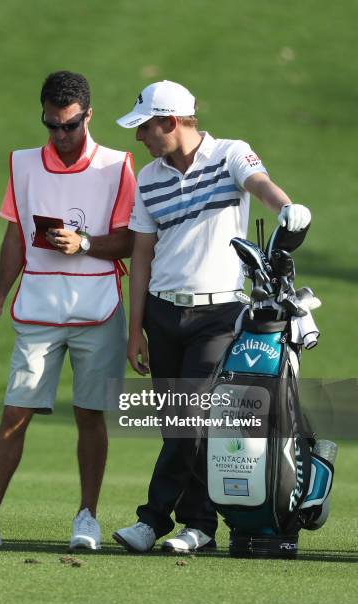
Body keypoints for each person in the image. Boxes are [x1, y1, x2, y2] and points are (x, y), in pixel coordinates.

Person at [112, 80, 311, 553]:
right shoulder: (149, 178)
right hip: (162, 313)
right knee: (179, 427)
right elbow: (142, 255)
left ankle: (153, 518)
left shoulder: (228, 154)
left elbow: (260, 186)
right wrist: (135, 327)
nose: (140, 137)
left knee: (189, 417)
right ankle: (198, 525)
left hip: (218, 314)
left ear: (171, 122)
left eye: (145, 128)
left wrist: (287, 209)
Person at [0, 71, 135, 550]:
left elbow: (130, 241)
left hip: (98, 307)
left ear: (87, 116)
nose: (60, 135)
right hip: (37, 308)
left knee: (90, 416)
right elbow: (14, 236)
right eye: (51, 125)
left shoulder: (117, 165)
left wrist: (84, 243)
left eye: (69, 125)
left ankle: (86, 518)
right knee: (15, 412)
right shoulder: (23, 164)